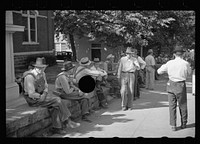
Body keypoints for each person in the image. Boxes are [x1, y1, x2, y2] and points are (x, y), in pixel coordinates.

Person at [22, 57, 80, 134]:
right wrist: (41, 96)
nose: (41, 69)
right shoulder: (29, 77)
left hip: (43, 95)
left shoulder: (43, 74)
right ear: (35, 67)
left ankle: (57, 128)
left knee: (56, 106)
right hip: (33, 99)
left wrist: (45, 93)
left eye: (43, 67)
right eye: (39, 68)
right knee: (57, 100)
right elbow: (31, 93)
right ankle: (67, 121)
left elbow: (46, 86)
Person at [157, 45, 192, 131]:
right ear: (182, 54)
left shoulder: (169, 63)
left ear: (174, 54)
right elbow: (189, 73)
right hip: (181, 84)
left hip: (171, 84)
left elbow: (159, 71)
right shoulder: (185, 63)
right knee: (182, 105)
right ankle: (184, 123)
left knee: (172, 106)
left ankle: (173, 125)